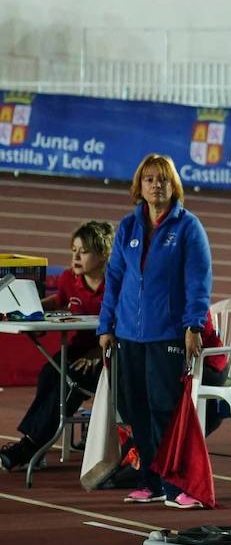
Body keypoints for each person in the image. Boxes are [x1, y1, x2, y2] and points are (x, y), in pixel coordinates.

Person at [97, 154, 213, 509]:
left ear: (172, 184)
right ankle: (149, 481)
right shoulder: (128, 227)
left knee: (165, 408)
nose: (155, 185)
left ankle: (175, 485)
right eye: (148, 179)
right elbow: (114, 279)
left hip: (167, 335)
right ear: (139, 186)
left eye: (162, 179)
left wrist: (193, 326)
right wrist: (106, 325)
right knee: (136, 410)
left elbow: (198, 281)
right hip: (129, 334)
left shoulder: (188, 227)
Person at [0, 221, 112, 472]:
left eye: (83, 251)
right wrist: (30, 308)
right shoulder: (69, 279)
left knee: (70, 379)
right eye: (73, 250)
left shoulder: (117, 284)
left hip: (109, 355)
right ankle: (34, 445)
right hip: (78, 350)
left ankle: (28, 449)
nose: (75, 256)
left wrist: (98, 352)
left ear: (103, 255)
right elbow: (59, 300)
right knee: (50, 372)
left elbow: (127, 324)